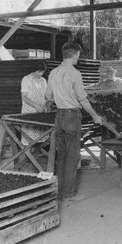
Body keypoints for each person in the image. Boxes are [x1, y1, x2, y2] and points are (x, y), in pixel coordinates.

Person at [45, 43, 103, 201]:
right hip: (71, 116)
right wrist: (95, 116)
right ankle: (69, 194)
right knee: (72, 156)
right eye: (78, 55)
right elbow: (82, 100)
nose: (79, 58)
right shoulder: (75, 73)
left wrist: (57, 99)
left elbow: (48, 96)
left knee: (61, 155)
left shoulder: (53, 73)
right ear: (74, 55)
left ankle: (59, 192)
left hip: (59, 116)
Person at [20, 61, 48, 149]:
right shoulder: (26, 79)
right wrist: (36, 106)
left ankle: (38, 157)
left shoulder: (43, 80)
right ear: (35, 70)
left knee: (42, 138)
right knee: (29, 138)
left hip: (41, 112)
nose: (41, 74)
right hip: (29, 111)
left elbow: (46, 95)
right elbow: (24, 97)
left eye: (43, 72)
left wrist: (45, 105)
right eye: (39, 72)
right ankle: (28, 157)